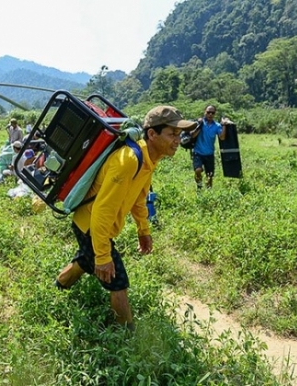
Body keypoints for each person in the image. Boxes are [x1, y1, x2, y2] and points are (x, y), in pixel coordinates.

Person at [55, 105, 197, 329]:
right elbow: (103, 210)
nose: (177, 140)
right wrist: (103, 256)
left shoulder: (148, 160)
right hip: (90, 226)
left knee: (84, 261)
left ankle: (58, 289)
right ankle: (126, 339)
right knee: (117, 281)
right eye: (172, 134)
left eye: (179, 135)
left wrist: (144, 231)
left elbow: (139, 199)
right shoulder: (129, 160)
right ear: (152, 134)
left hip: (92, 225)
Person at [191, 105, 228, 190]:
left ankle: (209, 192)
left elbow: (222, 137)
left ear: (215, 114)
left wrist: (224, 125)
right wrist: (199, 126)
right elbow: (192, 135)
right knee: (198, 170)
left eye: (212, 113)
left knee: (210, 175)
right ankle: (199, 186)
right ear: (205, 112)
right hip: (198, 152)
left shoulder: (217, 126)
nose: (210, 114)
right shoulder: (200, 123)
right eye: (208, 112)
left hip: (209, 154)